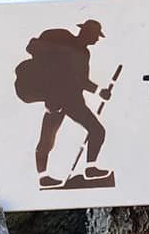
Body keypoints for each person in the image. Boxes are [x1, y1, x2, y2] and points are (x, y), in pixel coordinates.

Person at [13, 20, 114, 188]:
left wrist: (99, 91)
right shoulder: (61, 37)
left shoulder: (84, 53)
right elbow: (32, 47)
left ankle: (90, 168)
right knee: (47, 139)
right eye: (95, 36)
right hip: (54, 98)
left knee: (97, 131)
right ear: (87, 33)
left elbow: (81, 81)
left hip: (73, 100)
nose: (96, 40)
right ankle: (43, 177)